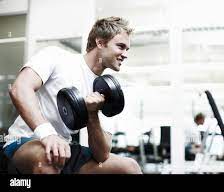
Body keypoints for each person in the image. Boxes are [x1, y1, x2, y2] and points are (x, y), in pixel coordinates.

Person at [2, 16, 142, 174]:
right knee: (49, 161)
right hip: (25, 141)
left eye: (127, 49)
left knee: (129, 167)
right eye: (121, 46)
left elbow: (102, 155)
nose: (125, 54)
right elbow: (20, 88)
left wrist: (92, 114)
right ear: (100, 42)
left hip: (65, 148)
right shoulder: (57, 57)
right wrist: (47, 134)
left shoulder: (107, 90)